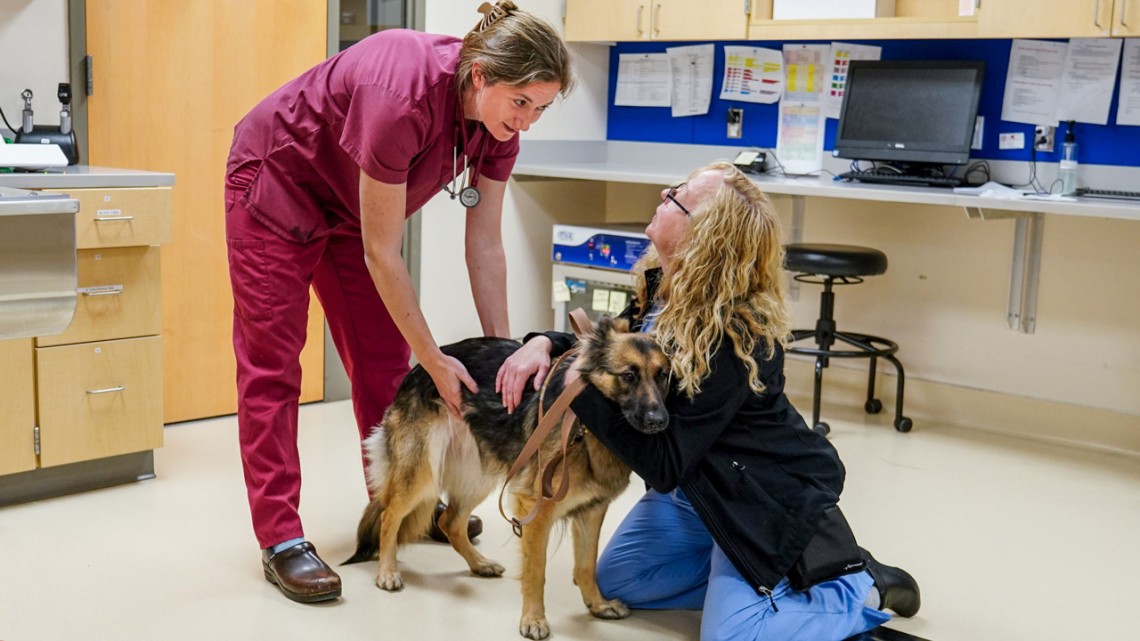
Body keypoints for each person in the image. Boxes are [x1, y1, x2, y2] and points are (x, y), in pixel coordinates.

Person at [224, 1, 573, 603]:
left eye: (542, 108)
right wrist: (436, 357)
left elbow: (485, 244)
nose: (528, 121)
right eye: (521, 103)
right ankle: (281, 537)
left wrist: (507, 359)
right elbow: (384, 253)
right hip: (278, 185)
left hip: (348, 211)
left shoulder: (498, 131)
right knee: (274, 367)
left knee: (385, 365)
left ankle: (398, 503)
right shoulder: (402, 93)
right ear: (482, 75)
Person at [496, 162, 920, 640]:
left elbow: (663, 465)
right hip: (697, 491)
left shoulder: (738, 331)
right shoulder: (662, 283)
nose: (663, 190)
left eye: (677, 197)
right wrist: (545, 342)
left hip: (754, 494)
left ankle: (859, 584)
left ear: (704, 236)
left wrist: (579, 389)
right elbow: (617, 347)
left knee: (732, 636)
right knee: (623, 582)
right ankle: (747, 574)